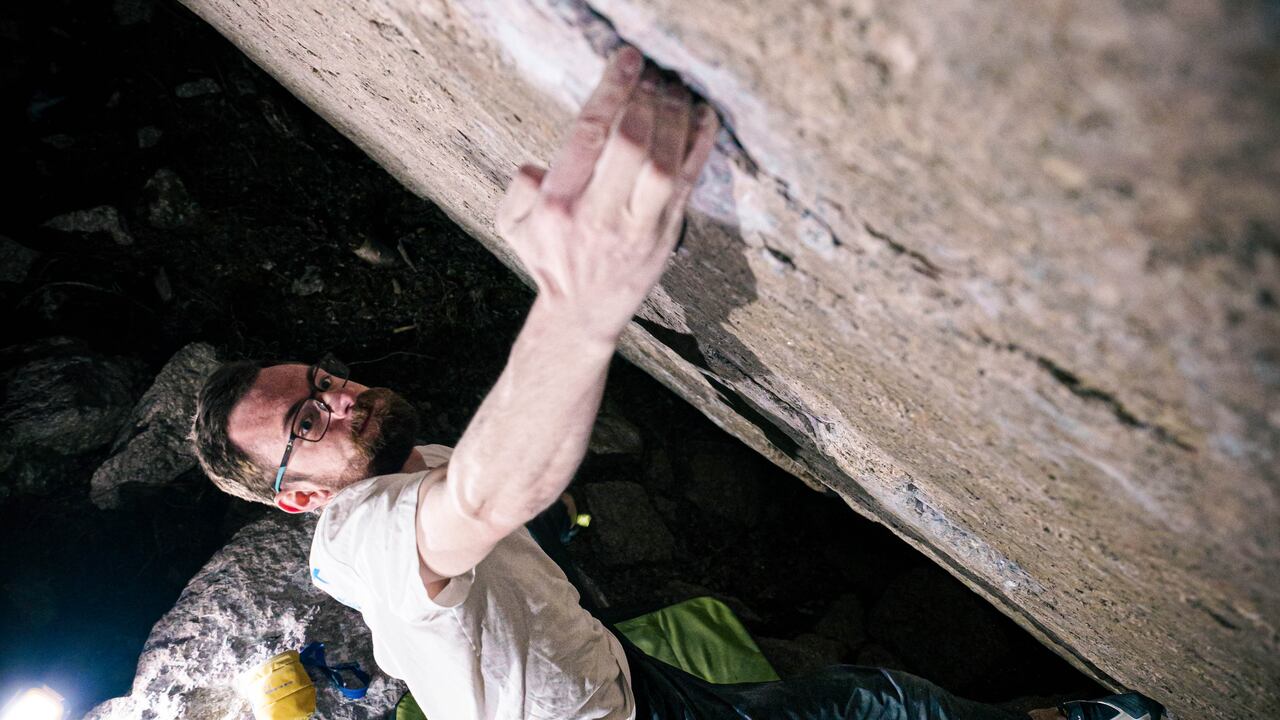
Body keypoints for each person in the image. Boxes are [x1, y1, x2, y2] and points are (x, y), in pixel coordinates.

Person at [191, 46, 1165, 720]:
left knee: (856, 699)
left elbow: (480, 478)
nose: (343, 395)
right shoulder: (357, 537)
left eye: (322, 378)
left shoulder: (406, 470)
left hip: (624, 682)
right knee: (883, 705)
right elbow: (483, 496)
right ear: (301, 494)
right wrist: (579, 302)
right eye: (310, 418)